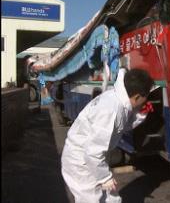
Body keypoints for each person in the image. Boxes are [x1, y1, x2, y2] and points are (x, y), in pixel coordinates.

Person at [61, 68, 154, 203]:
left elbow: (121, 127)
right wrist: (105, 178)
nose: (145, 102)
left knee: (111, 198)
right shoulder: (111, 109)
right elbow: (92, 152)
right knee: (91, 199)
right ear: (138, 96)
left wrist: (140, 115)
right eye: (146, 98)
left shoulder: (119, 100)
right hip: (81, 162)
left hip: (92, 160)